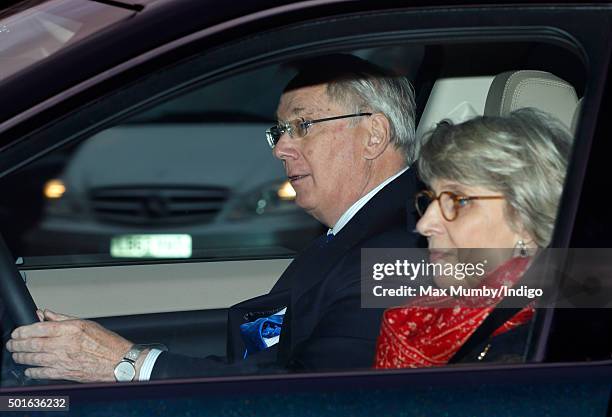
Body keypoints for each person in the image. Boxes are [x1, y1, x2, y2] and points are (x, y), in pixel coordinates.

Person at [6, 54, 421, 382]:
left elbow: (317, 396)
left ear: (374, 135)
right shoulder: (348, 236)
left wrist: (126, 364)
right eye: (279, 131)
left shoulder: (407, 250)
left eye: (303, 125)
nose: (280, 149)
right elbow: (263, 364)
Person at [374, 108, 573, 368]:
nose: (424, 224)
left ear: (526, 219)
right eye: (431, 199)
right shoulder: (420, 318)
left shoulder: (542, 348)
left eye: (460, 201)